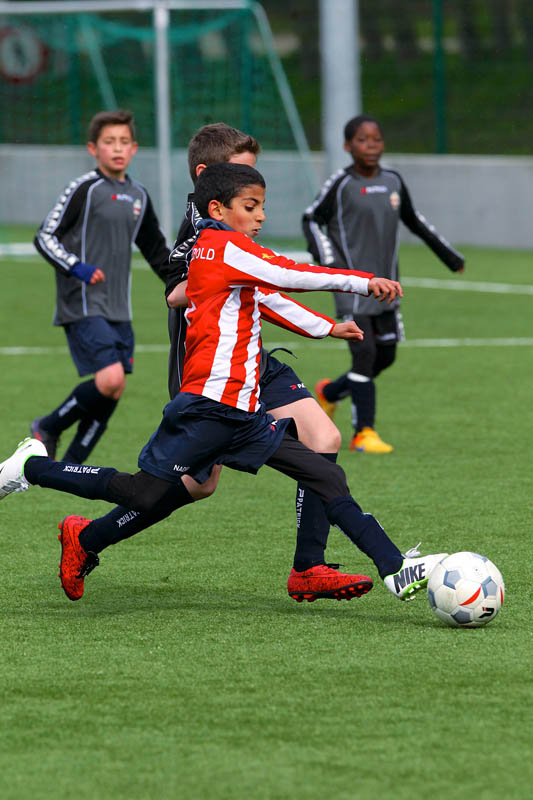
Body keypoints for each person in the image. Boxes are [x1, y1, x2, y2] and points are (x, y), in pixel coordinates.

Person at [0, 162, 447, 606]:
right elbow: (288, 273)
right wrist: (365, 282)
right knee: (143, 494)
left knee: (326, 474)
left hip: (244, 415)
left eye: (262, 206)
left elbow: (267, 297)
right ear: (217, 208)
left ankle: (394, 568)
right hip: (207, 410)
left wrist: (327, 327)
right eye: (251, 206)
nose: (261, 216)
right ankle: (32, 468)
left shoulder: (223, 252)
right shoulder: (223, 246)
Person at [166, 123, 368, 602]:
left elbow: (261, 288)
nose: (253, 192)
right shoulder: (198, 231)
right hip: (210, 372)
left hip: (255, 361)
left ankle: (309, 567)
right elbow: (176, 294)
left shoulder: (232, 228)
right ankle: (93, 531)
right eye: (242, 178)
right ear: (207, 179)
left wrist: (322, 325)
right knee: (198, 484)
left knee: (324, 437)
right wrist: (226, 272)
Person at [303, 114, 465, 453]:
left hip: (386, 286)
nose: (371, 146)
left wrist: (450, 258)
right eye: (363, 140)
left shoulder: (393, 181)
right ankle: (364, 433)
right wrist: (329, 263)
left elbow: (415, 220)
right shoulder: (341, 184)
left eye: (376, 139)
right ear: (348, 146)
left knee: (386, 355)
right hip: (351, 286)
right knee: (365, 353)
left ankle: (330, 393)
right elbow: (311, 218)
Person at [31, 109, 176, 464]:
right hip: (81, 301)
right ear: (93, 148)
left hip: (118, 307)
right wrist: (75, 267)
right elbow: (45, 236)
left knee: (114, 388)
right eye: (109, 142)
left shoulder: (139, 195)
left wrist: (186, 286)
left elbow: (157, 252)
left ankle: (71, 467)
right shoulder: (84, 188)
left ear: (135, 148)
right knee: (110, 379)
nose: (118, 148)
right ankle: (48, 426)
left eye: (124, 142)